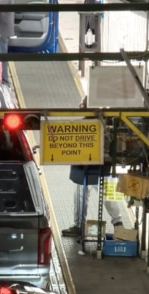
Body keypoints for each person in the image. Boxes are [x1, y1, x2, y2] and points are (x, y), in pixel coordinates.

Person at [61, 96, 123, 237]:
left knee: (109, 197)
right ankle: (78, 225)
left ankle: (118, 224)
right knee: (80, 196)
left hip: (103, 168)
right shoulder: (81, 125)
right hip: (84, 168)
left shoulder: (108, 125)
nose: (81, 108)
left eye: (83, 105)